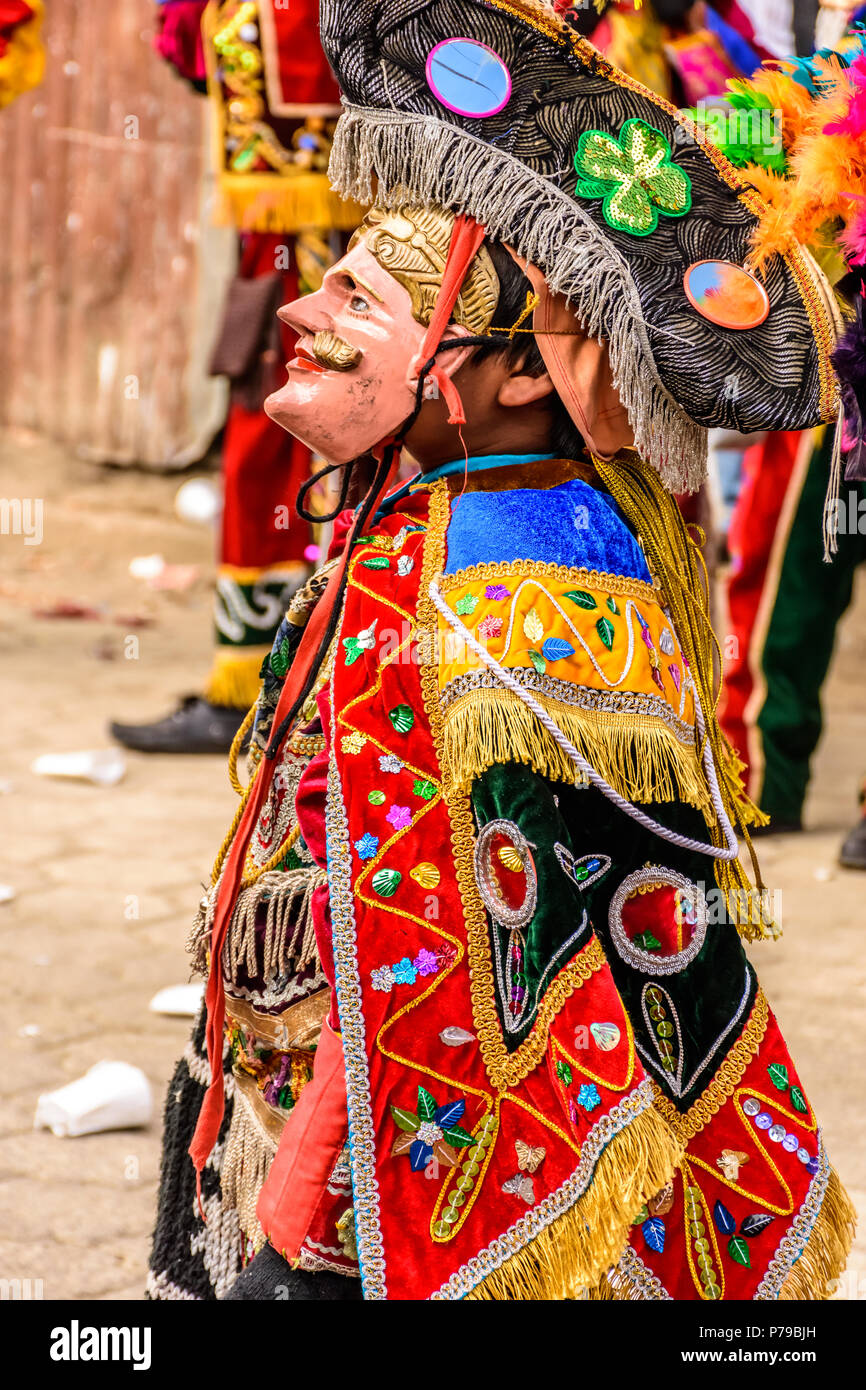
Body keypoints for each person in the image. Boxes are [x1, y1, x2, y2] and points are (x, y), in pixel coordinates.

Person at [150, 0, 854, 1301]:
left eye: (357, 296)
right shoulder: (422, 522)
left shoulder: (514, 590)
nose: (302, 308)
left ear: (519, 374)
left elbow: (476, 972)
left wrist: (306, 1229)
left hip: (400, 1176)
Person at [112, 0, 361, 753]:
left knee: (292, 420)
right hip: (310, 217)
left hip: (319, 222)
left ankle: (285, 685)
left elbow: (201, 44)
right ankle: (280, 675)